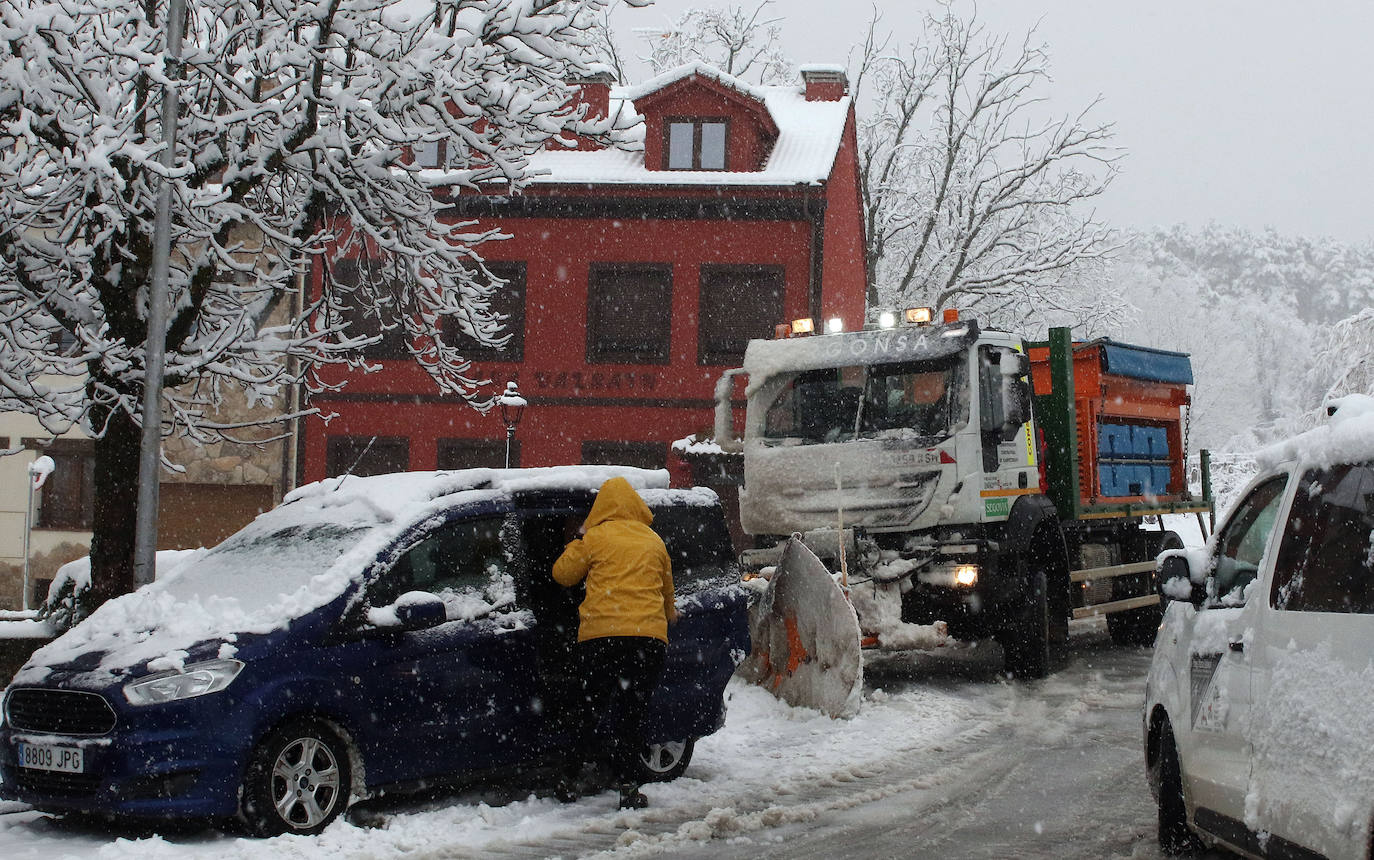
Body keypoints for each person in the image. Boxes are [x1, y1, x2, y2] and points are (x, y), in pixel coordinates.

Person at [552, 476, 676, 809]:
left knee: (589, 709)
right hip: (647, 641)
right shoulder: (654, 542)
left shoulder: (594, 538)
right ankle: (628, 787)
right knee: (631, 714)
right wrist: (662, 620)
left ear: (601, 508)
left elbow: (562, 575)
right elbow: (668, 596)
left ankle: (568, 778)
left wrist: (577, 540)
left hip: (601, 639)